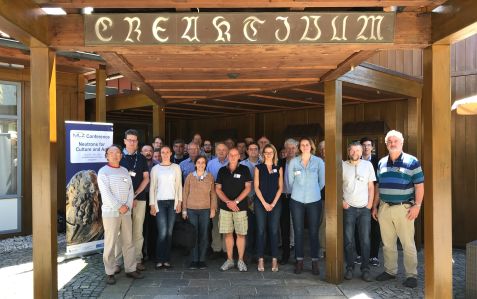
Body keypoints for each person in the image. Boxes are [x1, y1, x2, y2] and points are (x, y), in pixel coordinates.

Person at [373, 130, 424, 288]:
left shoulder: (412, 161)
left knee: (408, 243)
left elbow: (419, 186)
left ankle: (411, 275)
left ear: (401, 143)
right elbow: (378, 187)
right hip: (384, 207)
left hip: (404, 209)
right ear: (386, 144)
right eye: (390, 141)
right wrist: (375, 206)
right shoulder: (381, 162)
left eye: (395, 141)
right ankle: (390, 271)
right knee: (387, 243)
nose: (392, 144)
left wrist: (417, 205)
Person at [98, 145, 143, 285]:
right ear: (106, 156)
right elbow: (105, 194)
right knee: (111, 242)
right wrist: (119, 207)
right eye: (111, 153)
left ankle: (130, 269)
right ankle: (110, 272)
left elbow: (131, 190)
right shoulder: (103, 172)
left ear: (121, 155)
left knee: (128, 241)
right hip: (111, 213)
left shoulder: (124, 171)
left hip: (126, 212)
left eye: (117, 152)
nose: (115, 155)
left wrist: (127, 206)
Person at [288, 137, 325, 275]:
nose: (304, 147)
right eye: (302, 145)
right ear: (299, 147)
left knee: (313, 232)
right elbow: (290, 182)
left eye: (307, 144)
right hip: (296, 200)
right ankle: (299, 261)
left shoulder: (319, 162)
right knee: (298, 231)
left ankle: (315, 262)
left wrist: (311, 191)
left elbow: (322, 182)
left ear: (311, 146)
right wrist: (300, 190)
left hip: (314, 200)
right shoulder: (293, 162)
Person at [342, 141, 376, 282]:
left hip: (364, 208)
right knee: (349, 240)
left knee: (365, 240)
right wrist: (341, 201)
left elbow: (371, 186)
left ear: (362, 152)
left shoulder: (368, 165)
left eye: (358, 151)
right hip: (349, 207)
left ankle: (365, 269)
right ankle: (349, 267)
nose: (355, 153)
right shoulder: (342, 165)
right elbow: (337, 186)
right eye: (352, 151)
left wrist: (369, 205)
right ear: (348, 151)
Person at [216, 148, 252, 272]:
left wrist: (235, 202)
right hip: (225, 208)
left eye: (235, 155)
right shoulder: (222, 171)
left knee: (241, 234)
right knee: (228, 234)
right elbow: (218, 189)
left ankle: (241, 260)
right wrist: (228, 202)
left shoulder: (244, 169)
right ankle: (230, 260)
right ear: (227, 156)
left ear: (239, 157)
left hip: (240, 207)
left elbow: (248, 188)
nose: (232, 156)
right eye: (230, 154)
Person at [118, 129, 149, 272]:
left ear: (137, 142)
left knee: (137, 231)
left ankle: (137, 259)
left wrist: (135, 195)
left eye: (134, 140)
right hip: (122, 202)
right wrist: (128, 199)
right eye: (129, 140)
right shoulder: (118, 156)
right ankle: (118, 262)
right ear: (124, 141)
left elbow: (146, 178)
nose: (132, 142)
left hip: (139, 199)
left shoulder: (141, 158)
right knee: (121, 232)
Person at [149, 145, 182, 269]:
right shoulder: (155, 169)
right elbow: (152, 187)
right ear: (160, 154)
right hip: (160, 203)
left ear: (171, 153)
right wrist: (152, 204)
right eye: (163, 152)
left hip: (173, 201)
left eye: (167, 152)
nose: (165, 154)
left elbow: (179, 186)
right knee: (162, 232)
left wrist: (179, 202)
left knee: (169, 232)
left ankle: (166, 259)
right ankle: (159, 259)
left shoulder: (176, 167)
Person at [182, 155, 217, 270]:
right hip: (191, 210)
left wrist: (213, 209)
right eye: (199, 162)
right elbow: (185, 193)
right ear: (195, 164)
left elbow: (213, 194)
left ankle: (201, 260)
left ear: (205, 164)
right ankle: (194, 259)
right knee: (193, 235)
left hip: (205, 210)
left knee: (204, 235)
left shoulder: (210, 177)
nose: (201, 164)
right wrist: (184, 210)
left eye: (203, 162)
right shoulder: (190, 177)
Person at [254, 144, 283, 272]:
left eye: (271, 152)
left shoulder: (279, 168)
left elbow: (280, 187)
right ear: (263, 154)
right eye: (266, 152)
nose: (268, 154)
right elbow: (256, 187)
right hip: (261, 203)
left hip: (275, 203)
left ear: (274, 153)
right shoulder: (258, 168)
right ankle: (260, 259)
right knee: (261, 230)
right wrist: (265, 203)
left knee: (274, 230)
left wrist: (273, 203)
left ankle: (274, 259)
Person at [355, 137, 381, 267]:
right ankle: (360, 254)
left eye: (368, 145)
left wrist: (374, 203)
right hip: (358, 199)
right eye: (363, 145)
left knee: (375, 228)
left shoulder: (378, 162)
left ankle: (374, 256)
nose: (366, 148)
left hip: (375, 198)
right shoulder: (355, 160)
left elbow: (378, 183)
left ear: (372, 147)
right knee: (358, 228)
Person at [206, 143, 229, 257]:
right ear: (215, 151)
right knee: (215, 223)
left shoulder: (232, 162)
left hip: (228, 196)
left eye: (223, 150)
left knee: (226, 223)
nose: (221, 152)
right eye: (219, 150)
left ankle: (226, 249)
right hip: (214, 196)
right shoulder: (210, 164)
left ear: (227, 151)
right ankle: (216, 248)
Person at [240, 142, 261, 263]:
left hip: (259, 199)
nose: (253, 151)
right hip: (245, 200)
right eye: (251, 149)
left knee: (260, 227)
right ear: (247, 151)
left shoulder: (263, 163)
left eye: (255, 149)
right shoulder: (242, 165)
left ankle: (259, 253)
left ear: (258, 151)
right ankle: (248, 253)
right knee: (247, 228)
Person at [278, 138, 298, 265]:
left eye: (293, 148)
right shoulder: (280, 162)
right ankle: (285, 255)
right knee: (284, 227)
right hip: (283, 198)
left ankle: (298, 257)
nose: (290, 150)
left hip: (297, 198)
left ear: (296, 149)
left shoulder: (301, 163)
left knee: (297, 227)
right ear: (284, 149)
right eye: (288, 148)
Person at [141, 145, 157, 261]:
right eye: (146, 150)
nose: (148, 152)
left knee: (153, 226)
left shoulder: (157, 164)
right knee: (140, 227)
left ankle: (152, 253)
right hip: (141, 196)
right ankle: (140, 254)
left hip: (154, 198)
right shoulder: (138, 164)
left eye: (150, 151)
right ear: (141, 152)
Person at [317, 140, 326, 258]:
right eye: (322, 149)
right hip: (320, 198)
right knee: (321, 223)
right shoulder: (316, 162)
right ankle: (323, 248)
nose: (324, 151)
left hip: (335, 198)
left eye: (327, 148)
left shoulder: (339, 162)